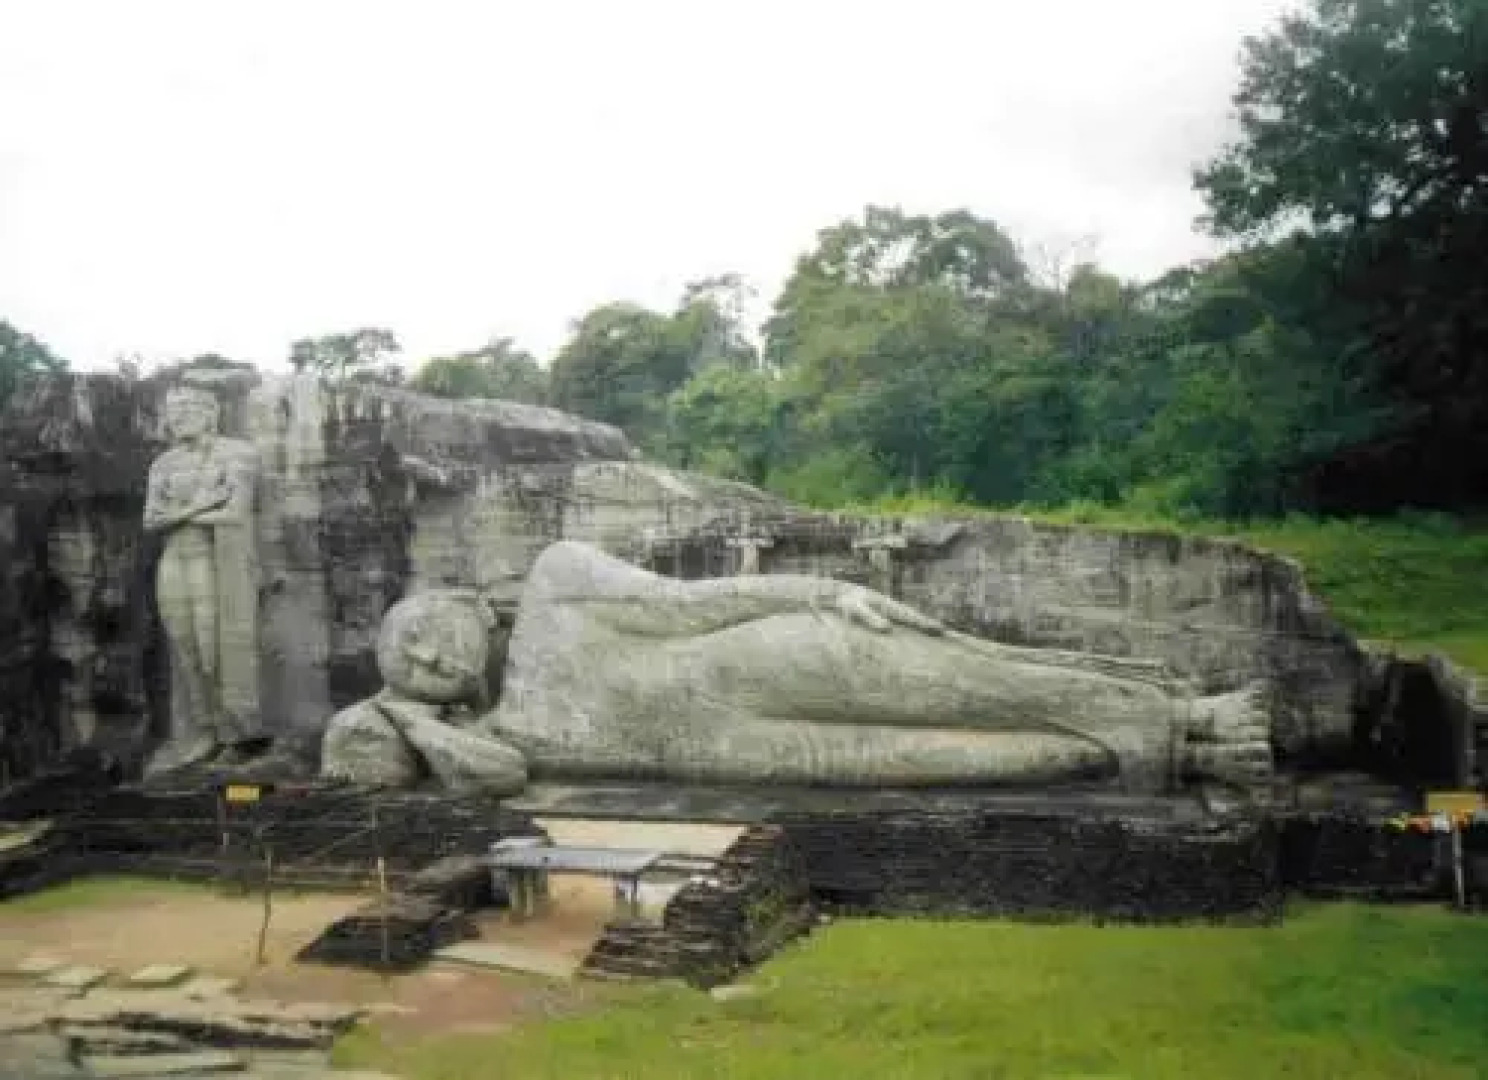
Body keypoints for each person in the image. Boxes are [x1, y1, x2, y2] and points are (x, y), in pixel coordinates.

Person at [142, 384, 264, 775]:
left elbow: (236, 513)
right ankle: (203, 732)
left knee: (214, 647)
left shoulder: (238, 453)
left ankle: (235, 732)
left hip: (212, 561)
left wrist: (179, 512)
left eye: (186, 408)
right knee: (185, 649)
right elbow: (150, 521)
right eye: (172, 409)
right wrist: (203, 503)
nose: (176, 416)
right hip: (173, 559)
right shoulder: (163, 464)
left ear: (210, 412)